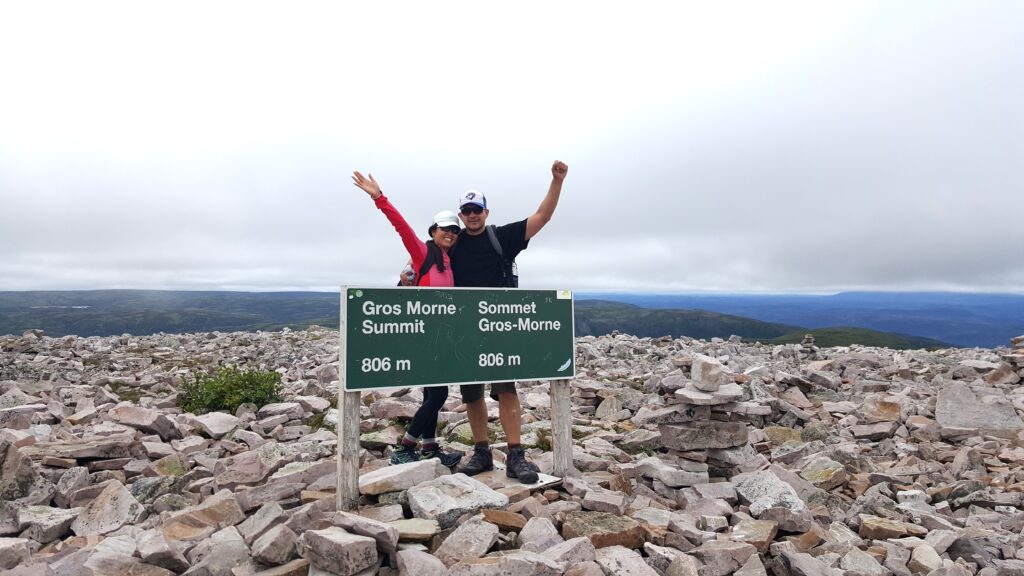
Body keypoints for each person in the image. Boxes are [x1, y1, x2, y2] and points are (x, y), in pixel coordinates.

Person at [452, 160, 568, 484]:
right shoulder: (453, 245)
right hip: (464, 331)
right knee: (471, 395)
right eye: (467, 210)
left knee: (506, 390)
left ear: (486, 212)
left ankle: (516, 455)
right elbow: (426, 258)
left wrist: (557, 181)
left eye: (477, 209)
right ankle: (482, 452)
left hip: (499, 329)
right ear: (461, 214)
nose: (472, 215)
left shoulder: (501, 237)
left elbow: (542, 217)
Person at [352, 170, 462, 467]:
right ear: (432, 231)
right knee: (438, 396)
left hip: (441, 336)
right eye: (444, 229)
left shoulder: (450, 261)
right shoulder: (422, 252)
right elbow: (400, 226)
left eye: (454, 230)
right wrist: (379, 197)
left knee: (432, 394)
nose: (450, 234)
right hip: (425, 337)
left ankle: (428, 447)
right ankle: (405, 447)